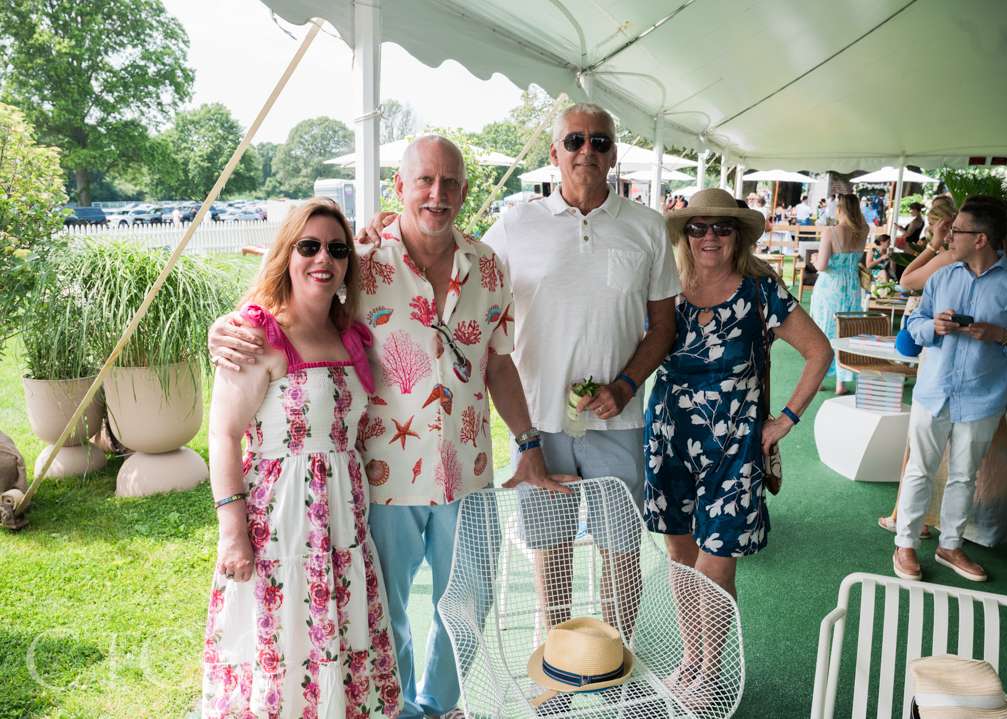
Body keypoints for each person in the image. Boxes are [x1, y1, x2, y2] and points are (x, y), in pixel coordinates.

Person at [209, 136, 573, 719]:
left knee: (470, 602)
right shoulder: (361, 263)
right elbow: (290, 305)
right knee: (385, 608)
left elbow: (499, 362)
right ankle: (396, 708)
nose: (437, 193)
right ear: (399, 188)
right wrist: (225, 328)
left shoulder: (487, 266)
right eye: (424, 181)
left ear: (463, 191)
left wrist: (527, 443)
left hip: (470, 470)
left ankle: (441, 704)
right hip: (384, 475)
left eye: (450, 182)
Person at [481, 103, 681, 638]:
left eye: (599, 142)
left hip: (619, 419)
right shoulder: (515, 224)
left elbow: (663, 325)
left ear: (614, 154)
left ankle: (615, 660)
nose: (586, 151)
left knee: (621, 552)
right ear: (554, 153)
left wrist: (625, 385)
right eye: (574, 141)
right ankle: (559, 672)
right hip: (538, 423)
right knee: (551, 555)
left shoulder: (648, 227)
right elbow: (464, 280)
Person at [202, 199, 403, 717]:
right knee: (286, 639)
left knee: (336, 639)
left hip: (342, 525)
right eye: (308, 246)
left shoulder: (350, 334)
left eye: (336, 249)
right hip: (281, 523)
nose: (323, 259)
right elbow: (223, 435)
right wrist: (233, 531)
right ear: (285, 254)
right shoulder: (255, 333)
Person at [645, 188, 830, 695]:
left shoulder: (761, 291)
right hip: (668, 436)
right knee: (680, 553)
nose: (709, 237)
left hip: (735, 446)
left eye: (721, 228)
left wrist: (785, 420)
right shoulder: (665, 290)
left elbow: (819, 351)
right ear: (684, 234)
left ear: (738, 236)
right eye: (698, 227)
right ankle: (691, 659)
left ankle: (709, 674)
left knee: (715, 558)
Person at [892, 196, 1007, 583]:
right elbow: (914, 325)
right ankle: (905, 544)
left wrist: (1002, 335)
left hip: (983, 396)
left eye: (956, 230)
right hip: (934, 391)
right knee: (919, 470)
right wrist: (934, 327)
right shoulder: (943, 276)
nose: (948, 236)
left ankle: (951, 546)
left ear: (980, 239)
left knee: (964, 476)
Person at [809, 193, 869, 394]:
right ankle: (841, 383)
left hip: (831, 286)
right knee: (847, 330)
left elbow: (822, 266)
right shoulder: (864, 230)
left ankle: (818, 380)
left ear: (839, 209)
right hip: (852, 286)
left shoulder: (831, 231)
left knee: (824, 331)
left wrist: (815, 259)